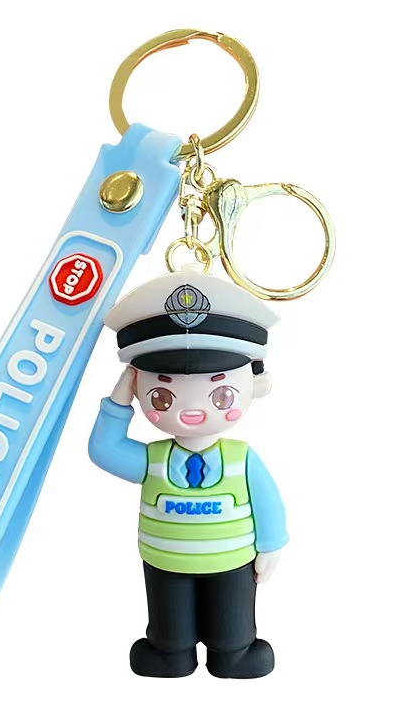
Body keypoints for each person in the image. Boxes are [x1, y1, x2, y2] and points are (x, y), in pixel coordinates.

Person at [88, 271, 288, 678]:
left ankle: (234, 652)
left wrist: (270, 545)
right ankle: (170, 651)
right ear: (139, 388)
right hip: (165, 563)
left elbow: (269, 503)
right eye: (162, 396)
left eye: (221, 395)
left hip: (232, 563)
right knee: (170, 622)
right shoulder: (154, 460)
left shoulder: (242, 459)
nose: (192, 411)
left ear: (257, 385)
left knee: (232, 620)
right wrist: (118, 401)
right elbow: (104, 450)